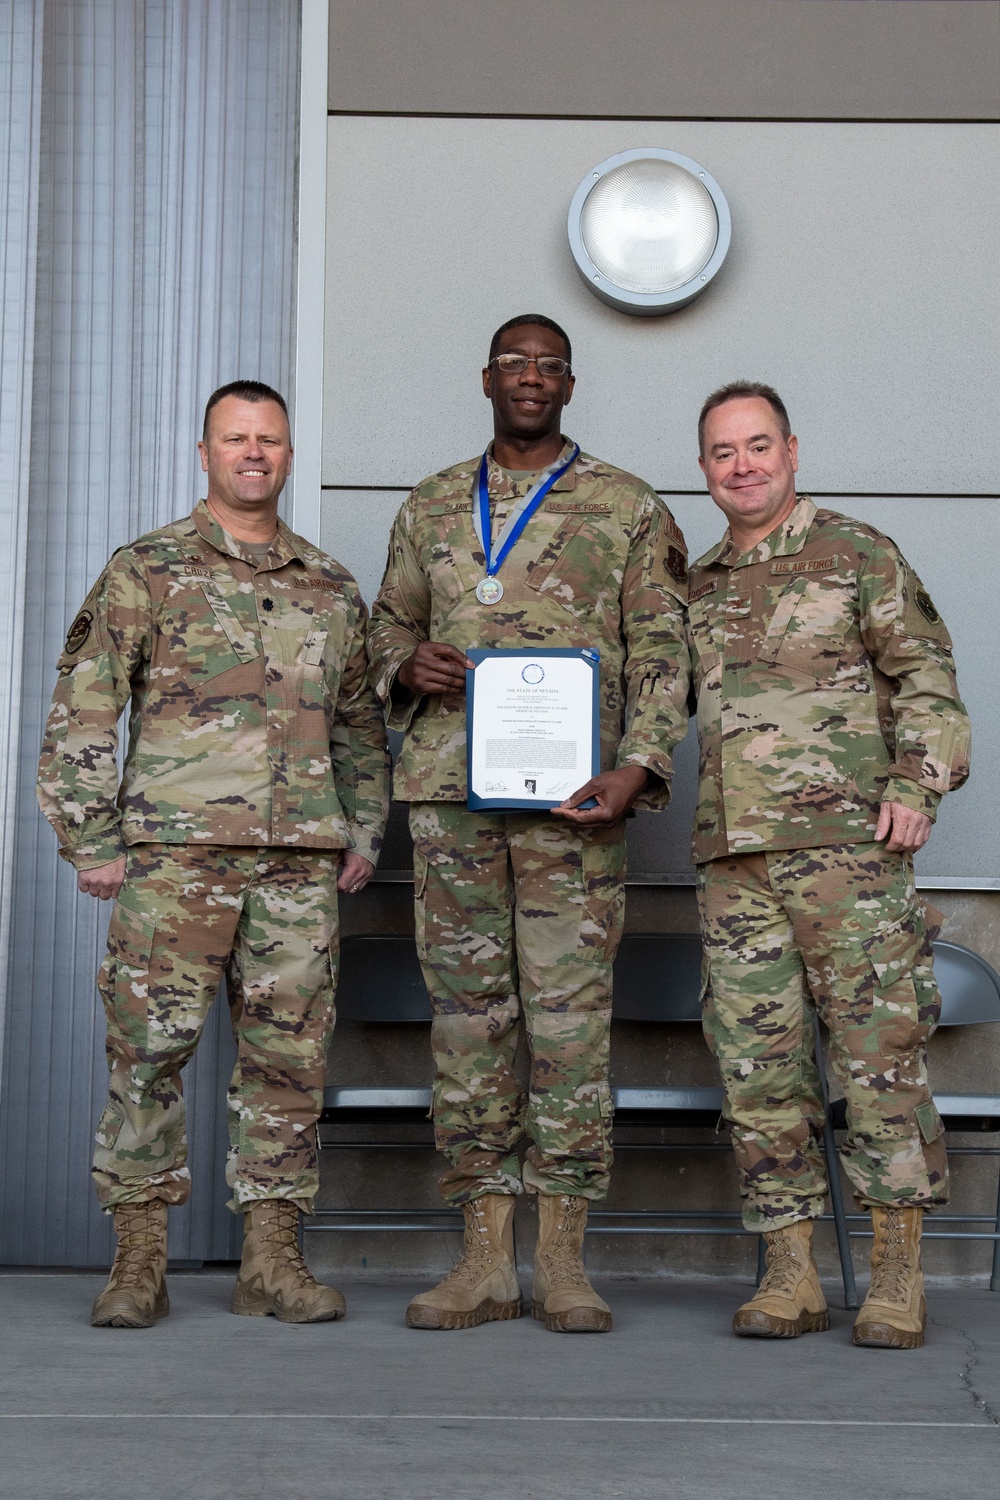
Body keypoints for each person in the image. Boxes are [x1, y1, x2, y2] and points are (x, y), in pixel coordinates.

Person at [37, 380, 389, 1328]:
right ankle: (138, 1259)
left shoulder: (329, 585)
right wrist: (92, 838)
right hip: (174, 862)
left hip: (297, 866)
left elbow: (357, 723)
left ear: (286, 454)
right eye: (236, 439)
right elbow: (84, 710)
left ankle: (272, 1259)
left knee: (288, 1060)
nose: (254, 454)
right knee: (148, 1054)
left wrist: (360, 832)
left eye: (269, 440)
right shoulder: (145, 570)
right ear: (204, 453)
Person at [367, 315, 690, 1333]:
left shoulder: (627, 506)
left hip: (574, 808)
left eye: (549, 365)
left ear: (569, 383)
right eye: (514, 363)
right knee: (468, 1023)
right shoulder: (428, 506)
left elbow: (661, 652)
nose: (530, 378)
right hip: (451, 800)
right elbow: (383, 624)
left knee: (565, 1025)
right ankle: (480, 1263)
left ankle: (561, 1261)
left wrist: (638, 767)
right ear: (486, 377)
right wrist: (401, 664)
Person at [687, 380, 971, 1349]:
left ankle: (895, 1280)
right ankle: (790, 1275)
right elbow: (646, 703)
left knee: (878, 1061)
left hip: (850, 857)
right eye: (724, 453)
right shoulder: (699, 583)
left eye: (757, 445)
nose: (743, 465)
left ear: (792, 451)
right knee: (756, 1070)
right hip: (736, 867)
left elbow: (926, 675)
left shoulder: (857, 555)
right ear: (704, 471)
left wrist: (917, 783)